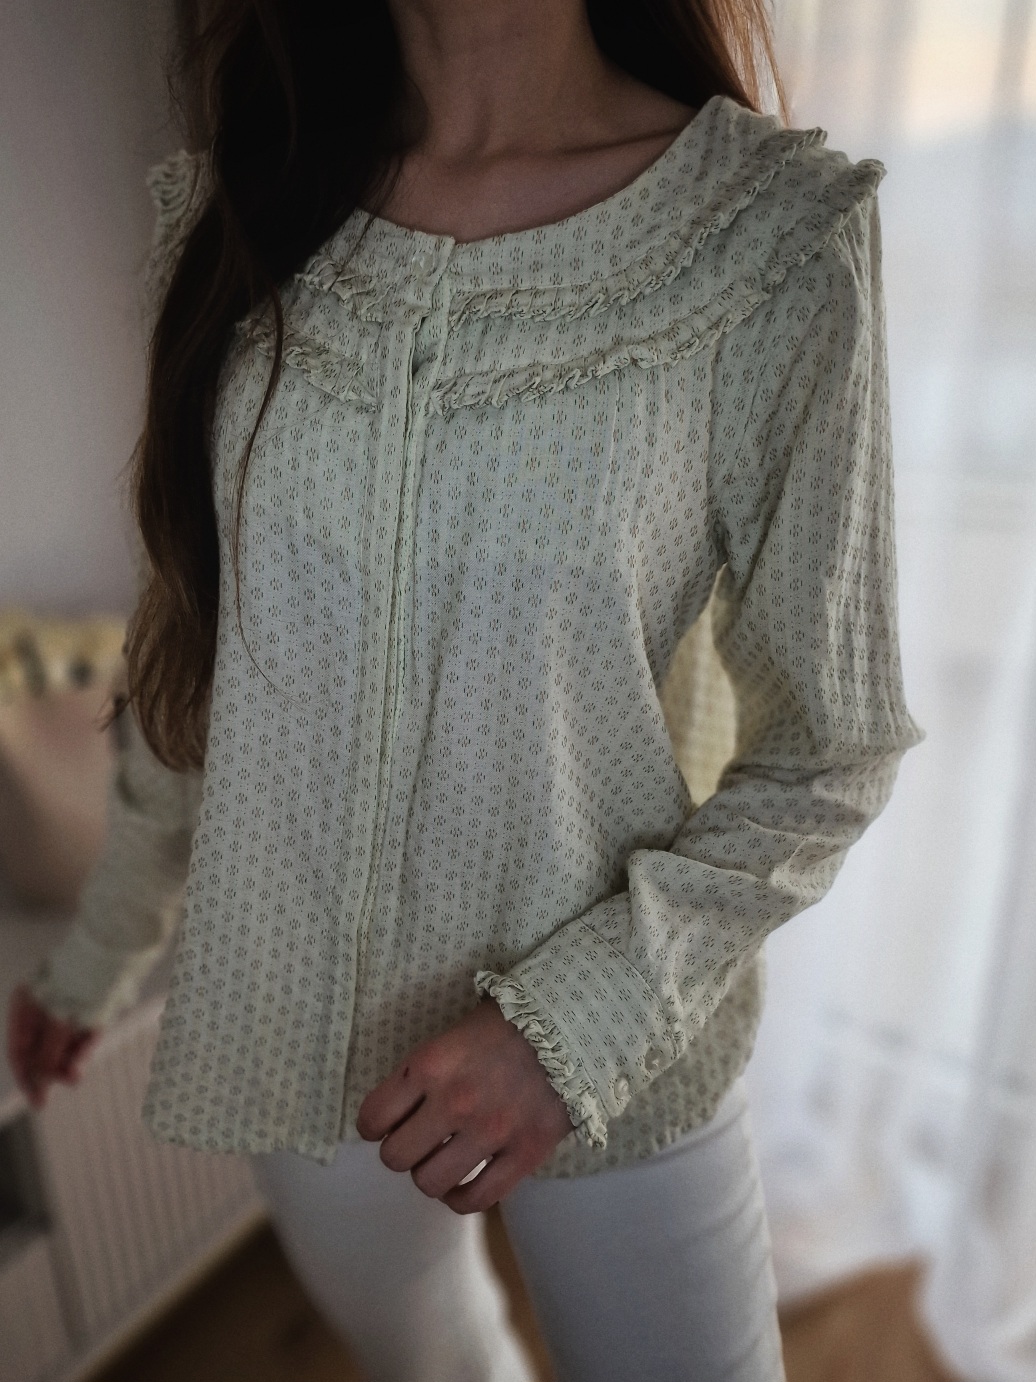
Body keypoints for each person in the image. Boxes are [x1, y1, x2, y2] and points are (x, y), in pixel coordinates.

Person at [7, 1, 925, 1378]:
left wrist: (572, 1030)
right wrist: (98, 957)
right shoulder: (234, 211)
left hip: (616, 1053)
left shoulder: (766, 239)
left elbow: (831, 750)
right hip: (301, 1034)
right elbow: (192, 663)